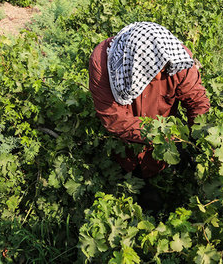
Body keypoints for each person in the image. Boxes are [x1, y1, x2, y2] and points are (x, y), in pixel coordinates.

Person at [89, 21, 210, 185]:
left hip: (165, 148)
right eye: (155, 70)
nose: (162, 75)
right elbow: (115, 120)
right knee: (131, 180)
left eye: (165, 68)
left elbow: (197, 101)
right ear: (137, 66)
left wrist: (203, 140)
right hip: (126, 148)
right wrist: (164, 135)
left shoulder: (177, 58)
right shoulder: (104, 63)